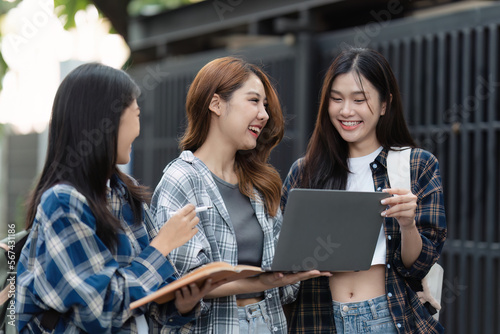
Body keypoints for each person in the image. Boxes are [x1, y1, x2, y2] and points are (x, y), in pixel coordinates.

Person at [16, 63, 217, 333]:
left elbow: (149, 307)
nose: (139, 127)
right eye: (136, 114)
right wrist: (161, 247)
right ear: (105, 121)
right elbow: (99, 311)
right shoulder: (63, 203)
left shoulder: (126, 193)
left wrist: (182, 306)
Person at [150, 56, 330, 333]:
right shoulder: (182, 179)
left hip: (269, 323)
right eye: (254, 101)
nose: (264, 114)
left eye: (265, 105)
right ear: (216, 104)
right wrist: (265, 282)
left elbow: (285, 281)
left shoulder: (259, 183)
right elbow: (185, 281)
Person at [281, 47, 447, 333]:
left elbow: (417, 267)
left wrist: (407, 225)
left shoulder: (415, 165)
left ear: (385, 104)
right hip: (317, 321)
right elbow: (280, 260)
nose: (346, 111)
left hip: (385, 317)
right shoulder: (304, 171)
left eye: (359, 100)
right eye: (336, 99)